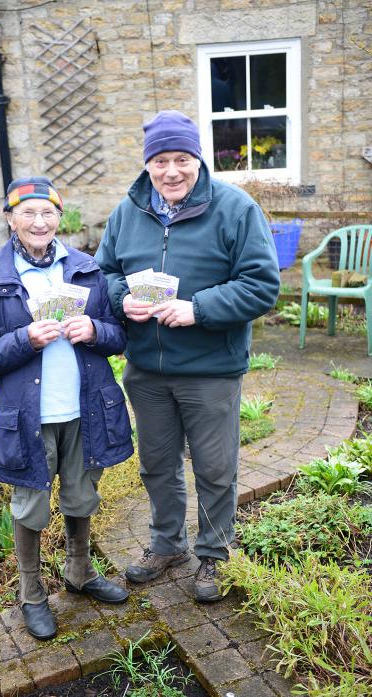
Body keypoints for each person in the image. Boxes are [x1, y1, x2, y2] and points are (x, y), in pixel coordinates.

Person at [95, 111, 280, 602]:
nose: (172, 171)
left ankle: (215, 556)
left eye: (182, 159)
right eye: (161, 160)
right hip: (148, 369)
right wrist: (120, 300)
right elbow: (104, 273)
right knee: (157, 464)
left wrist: (198, 309)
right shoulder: (126, 212)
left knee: (215, 468)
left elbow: (262, 285)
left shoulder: (236, 209)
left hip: (210, 370)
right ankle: (167, 545)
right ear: (147, 164)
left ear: (198, 159)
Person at [0, 176, 133, 641]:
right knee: (31, 506)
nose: (39, 222)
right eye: (28, 213)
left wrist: (95, 332)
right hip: (28, 418)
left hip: (84, 411)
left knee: (82, 497)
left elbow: (119, 337)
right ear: (10, 219)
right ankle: (32, 594)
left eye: (48, 213)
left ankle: (79, 572)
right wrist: (25, 338)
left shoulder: (86, 269)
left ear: (60, 217)